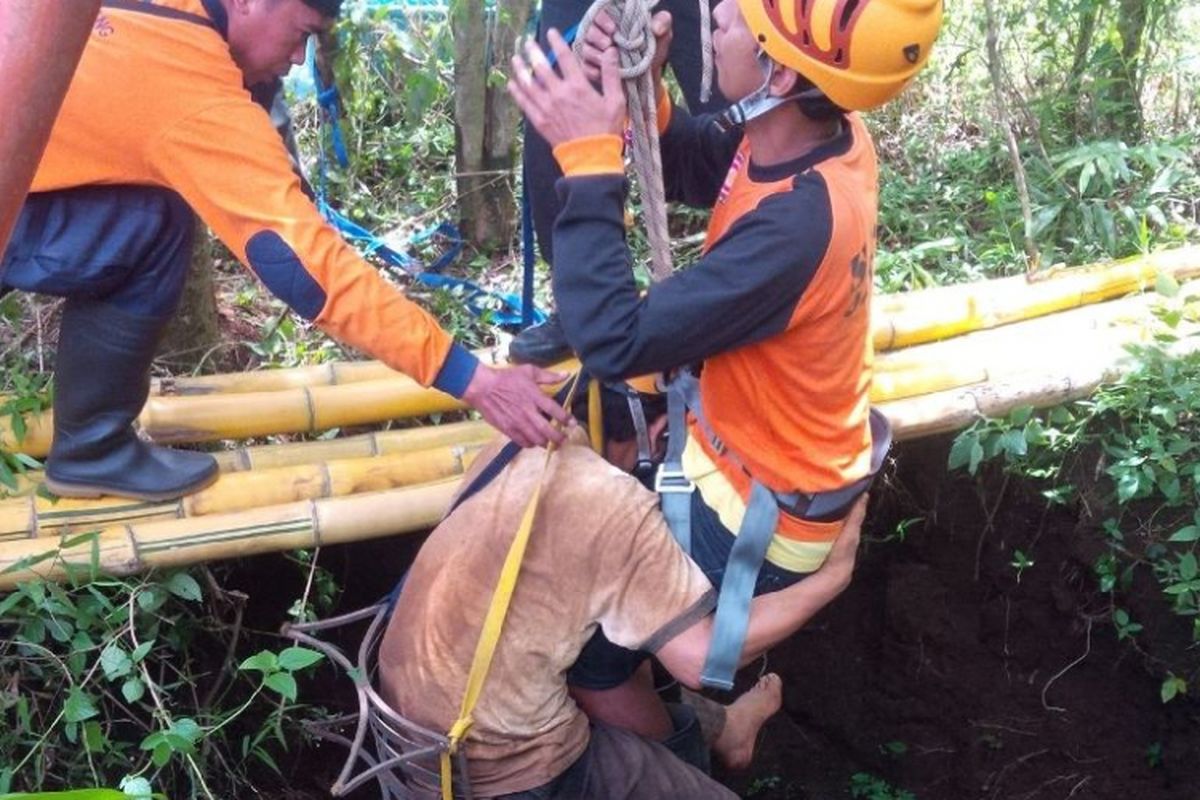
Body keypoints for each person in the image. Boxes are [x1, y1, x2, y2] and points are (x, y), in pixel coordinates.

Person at [506, 0, 939, 725]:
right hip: (757, 455)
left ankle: (702, 752)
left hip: (758, 507)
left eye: (742, 22)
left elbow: (614, 340)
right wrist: (647, 96)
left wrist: (586, 158)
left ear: (777, 70)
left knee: (593, 669)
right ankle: (709, 693)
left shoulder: (799, 226)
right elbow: (708, 163)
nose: (716, 18)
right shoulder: (816, 137)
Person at [0, 0, 570, 504]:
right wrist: (475, 381)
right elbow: (305, 266)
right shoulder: (189, 83)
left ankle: (92, 449)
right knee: (155, 226)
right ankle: (94, 449)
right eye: (299, 33)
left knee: (147, 219)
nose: (299, 60)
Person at [378, 382, 865, 798]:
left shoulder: (520, 436)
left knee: (631, 658)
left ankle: (725, 732)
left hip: (404, 734)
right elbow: (702, 659)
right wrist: (831, 580)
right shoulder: (613, 503)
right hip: (503, 770)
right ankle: (706, 758)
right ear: (663, 432)